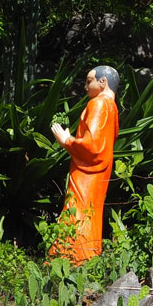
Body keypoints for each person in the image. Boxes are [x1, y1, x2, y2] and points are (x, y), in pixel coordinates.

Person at [50, 65, 119, 264]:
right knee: (90, 211)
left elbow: (91, 146)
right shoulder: (112, 107)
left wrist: (66, 140)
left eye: (89, 81)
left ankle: (71, 259)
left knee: (78, 209)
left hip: (88, 170)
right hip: (100, 169)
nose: (85, 87)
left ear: (103, 82)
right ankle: (87, 258)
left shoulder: (98, 104)